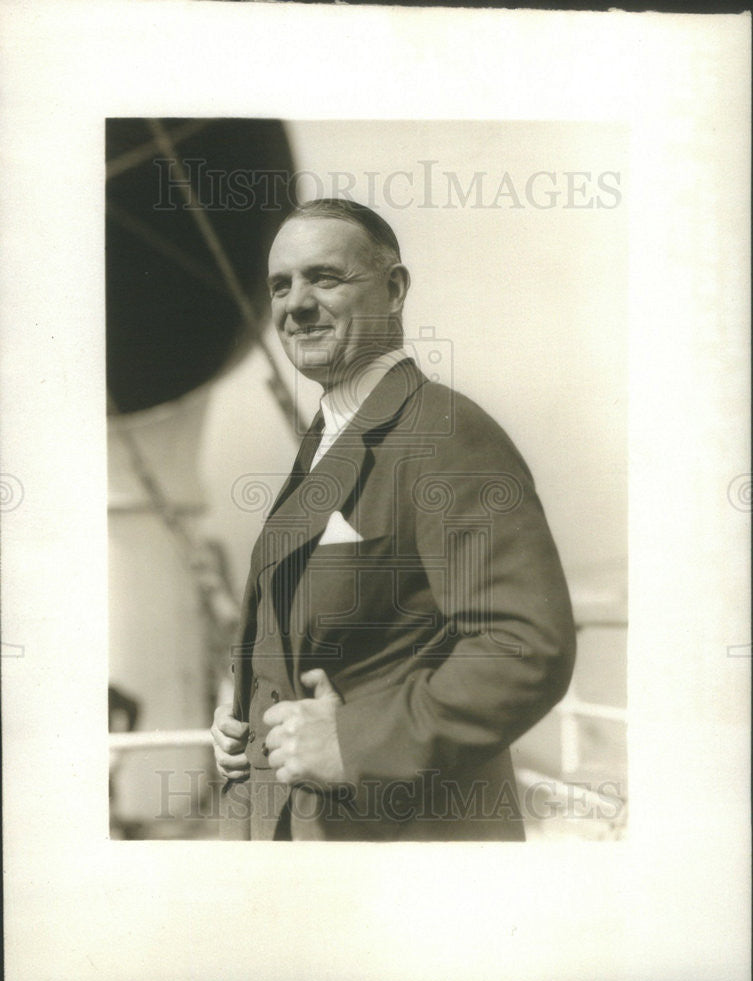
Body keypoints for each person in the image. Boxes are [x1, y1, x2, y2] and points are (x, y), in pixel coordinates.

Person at [211, 199, 576, 840]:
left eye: (325, 278)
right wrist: (241, 705)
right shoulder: (329, 438)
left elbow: (524, 648)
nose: (295, 304)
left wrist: (353, 741)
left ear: (395, 288)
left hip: (399, 854)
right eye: (279, 284)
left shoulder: (441, 432)